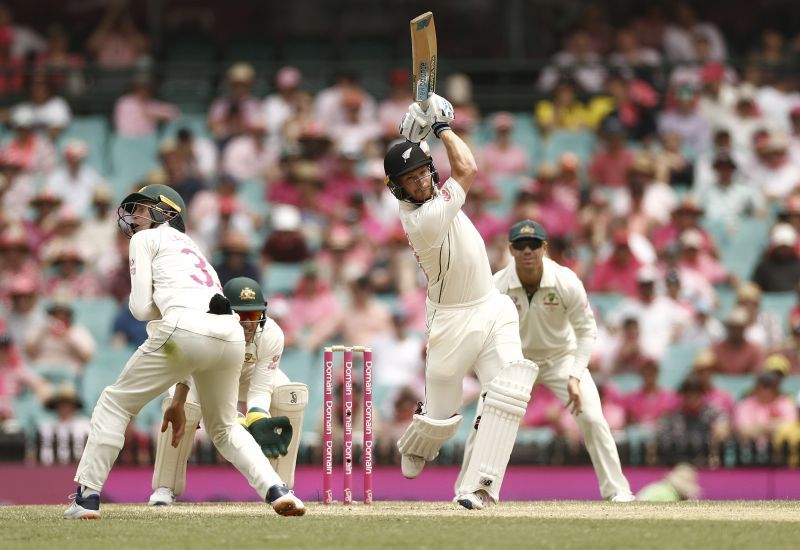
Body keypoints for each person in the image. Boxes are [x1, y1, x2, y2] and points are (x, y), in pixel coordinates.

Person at [64, 184, 304, 519]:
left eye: (143, 209)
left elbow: (139, 308)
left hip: (184, 327)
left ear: (167, 213)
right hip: (229, 335)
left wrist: (162, 308)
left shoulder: (144, 239)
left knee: (115, 402)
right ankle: (277, 490)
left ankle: (87, 497)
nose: (134, 217)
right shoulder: (197, 248)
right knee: (224, 429)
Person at [387, 93, 539, 510]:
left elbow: (429, 160)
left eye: (422, 174)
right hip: (451, 322)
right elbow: (469, 167)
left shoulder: (431, 192)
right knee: (440, 416)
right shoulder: (422, 219)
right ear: (396, 189)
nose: (419, 183)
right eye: (410, 181)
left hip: (492, 306)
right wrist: (441, 128)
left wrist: (414, 134)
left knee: (509, 392)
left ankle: (479, 487)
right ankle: (419, 440)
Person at [493, 219, 635, 501]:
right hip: (518, 360)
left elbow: (586, 331)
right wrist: (499, 368)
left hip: (562, 358)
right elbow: (489, 332)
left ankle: (617, 490)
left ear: (544, 248)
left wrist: (574, 375)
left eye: (533, 244)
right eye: (520, 245)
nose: (527, 251)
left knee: (593, 419)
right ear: (510, 249)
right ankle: (476, 489)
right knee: (489, 419)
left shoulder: (565, 281)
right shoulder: (497, 285)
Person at [148, 276, 308, 505]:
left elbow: (261, 386)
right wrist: (231, 416)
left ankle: (281, 485)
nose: (247, 324)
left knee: (290, 395)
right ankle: (165, 487)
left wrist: (257, 417)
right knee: (181, 403)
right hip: (199, 376)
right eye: (240, 316)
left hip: (246, 375)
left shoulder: (272, 334)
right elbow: (189, 369)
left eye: (253, 315)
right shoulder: (206, 328)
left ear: (262, 314)